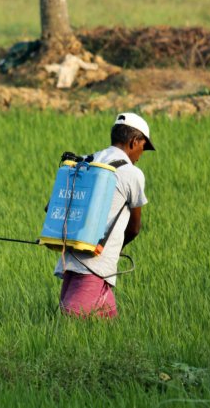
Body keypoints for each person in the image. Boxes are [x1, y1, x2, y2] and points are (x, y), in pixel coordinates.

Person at [54, 112, 154, 319]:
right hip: (96, 264)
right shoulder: (132, 173)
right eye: (143, 147)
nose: (140, 155)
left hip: (72, 256)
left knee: (105, 325)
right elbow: (135, 227)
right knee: (72, 320)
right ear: (134, 141)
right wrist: (116, 250)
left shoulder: (87, 160)